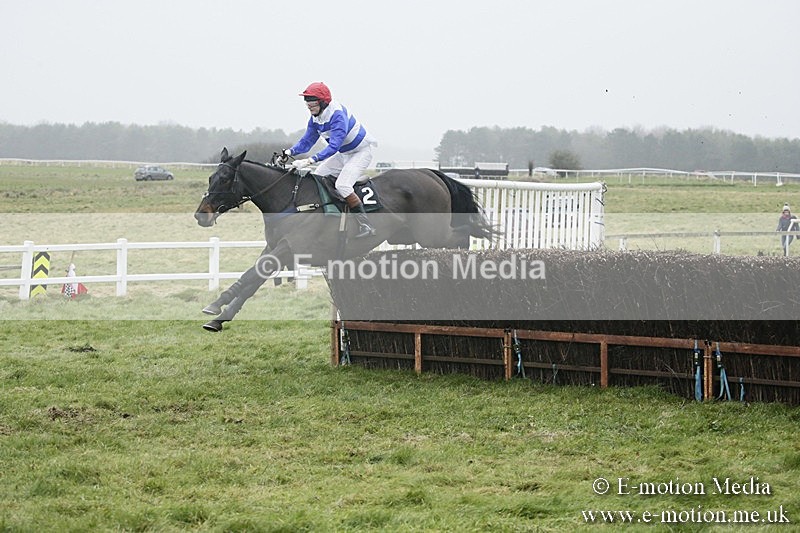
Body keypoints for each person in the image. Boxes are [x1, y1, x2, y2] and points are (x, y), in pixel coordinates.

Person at [282, 82, 377, 238]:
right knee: (318, 176)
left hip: (360, 152)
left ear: (323, 102)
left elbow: (333, 146)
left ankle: (366, 225)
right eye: (307, 102)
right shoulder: (316, 118)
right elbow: (307, 141)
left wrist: (309, 161)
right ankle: (329, 214)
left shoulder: (337, 115)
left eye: (312, 102)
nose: (309, 106)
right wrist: (289, 152)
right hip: (344, 154)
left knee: (343, 185)